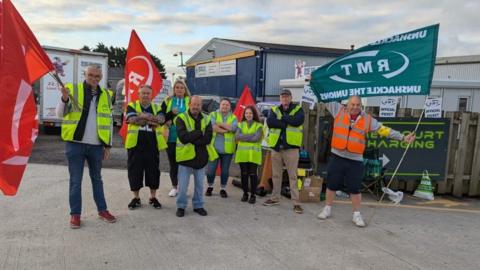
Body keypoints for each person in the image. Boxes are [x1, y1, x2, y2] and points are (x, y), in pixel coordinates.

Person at [317, 96, 415, 227]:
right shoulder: (338, 110)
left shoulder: (368, 120)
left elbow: (384, 130)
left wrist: (403, 137)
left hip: (355, 160)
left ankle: (356, 214)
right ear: (347, 104)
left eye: (358, 105)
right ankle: (327, 208)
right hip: (337, 156)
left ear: (361, 106)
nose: (355, 107)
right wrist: (313, 83)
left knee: (355, 189)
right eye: (352, 104)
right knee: (332, 184)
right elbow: (324, 97)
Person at [56, 65, 116, 229]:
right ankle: (75, 215)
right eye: (91, 75)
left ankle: (102, 210)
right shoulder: (72, 90)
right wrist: (64, 99)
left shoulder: (106, 95)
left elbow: (108, 121)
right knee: (76, 181)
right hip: (75, 145)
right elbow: (60, 114)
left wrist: (108, 145)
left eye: (97, 76)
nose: (94, 78)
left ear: (101, 76)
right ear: (85, 74)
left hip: (96, 146)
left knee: (97, 179)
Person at [125, 85, 167, 210]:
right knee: (134, 171)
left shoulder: (157, 107)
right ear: (138, 94)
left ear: (151, 95)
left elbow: (160, 120)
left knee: (153, 171)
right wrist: (151, 119)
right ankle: (136, 198)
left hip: (152, 145)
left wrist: (143, 116)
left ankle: (153, 197)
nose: (145, 95)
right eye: (143, 93)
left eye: (148, 93)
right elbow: (132, 120)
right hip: (135, 145)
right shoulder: (132, 105)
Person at [263, 89, 305, 214]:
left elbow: (297, 121)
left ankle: (296, 203)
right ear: (280, 98)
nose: (285, 99)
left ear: (291, 98)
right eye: (282, 97)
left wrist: (281, 119)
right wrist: (286, 122)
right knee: (276, 175)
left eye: (287, 97)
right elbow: (270, 122)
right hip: (276, 148)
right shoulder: (274, 109)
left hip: (291, 148)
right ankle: (275, 198)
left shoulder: (298, 109)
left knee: (293, 176)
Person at [175, 96, 217, 217]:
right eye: (194, 104)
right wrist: (199, 133)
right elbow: (183, 138)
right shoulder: (181, 118)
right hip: (185, 158)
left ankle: (198, 205)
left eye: (198, 105)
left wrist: (192, 137)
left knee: (199, 186)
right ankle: (181, 206)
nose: (196, 107)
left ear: (201, 106)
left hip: (201, 157)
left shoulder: (207, 118)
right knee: (182, 187)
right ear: (189, 104)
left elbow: (208, 139)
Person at [161, 80, 191, 197]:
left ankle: (183, 188)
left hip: (185, 138)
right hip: (171, 137)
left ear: (185, 90)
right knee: (173, 164)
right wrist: (170, 115)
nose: (179, 89)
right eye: (177, 87)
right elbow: (161, 116)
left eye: (181, 88)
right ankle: (175, 187)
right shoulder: (167, 101)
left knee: (185, 165)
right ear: (174, 89)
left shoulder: (189, 101)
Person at [205, 98, 238, 198]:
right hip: (213, 148)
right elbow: (212, 127)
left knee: (224, 171)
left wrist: (219, 124)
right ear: (220, 105)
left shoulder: (233, 117)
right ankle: (210, 186)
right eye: (223, 104)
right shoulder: (213, 115)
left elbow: (233, 128)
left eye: (227, 105)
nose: (225, 106)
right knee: (210, 171)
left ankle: (223, 188)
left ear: (230, 107)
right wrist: (225, 130)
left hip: (227, 150)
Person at [235, 106, 263, 204]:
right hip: (242, 154)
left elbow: (257, 138)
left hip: (254, 154)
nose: (248, 115)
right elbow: (237, 136)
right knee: (244, 174)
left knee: (253, 174)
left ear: (254, 114)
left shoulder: (259, 125)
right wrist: (251, 135)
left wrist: (244, 137)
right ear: (244, 114)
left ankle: (253, 195)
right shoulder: (240, 124)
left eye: (250, 113)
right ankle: (245, 193)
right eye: (246, 113)